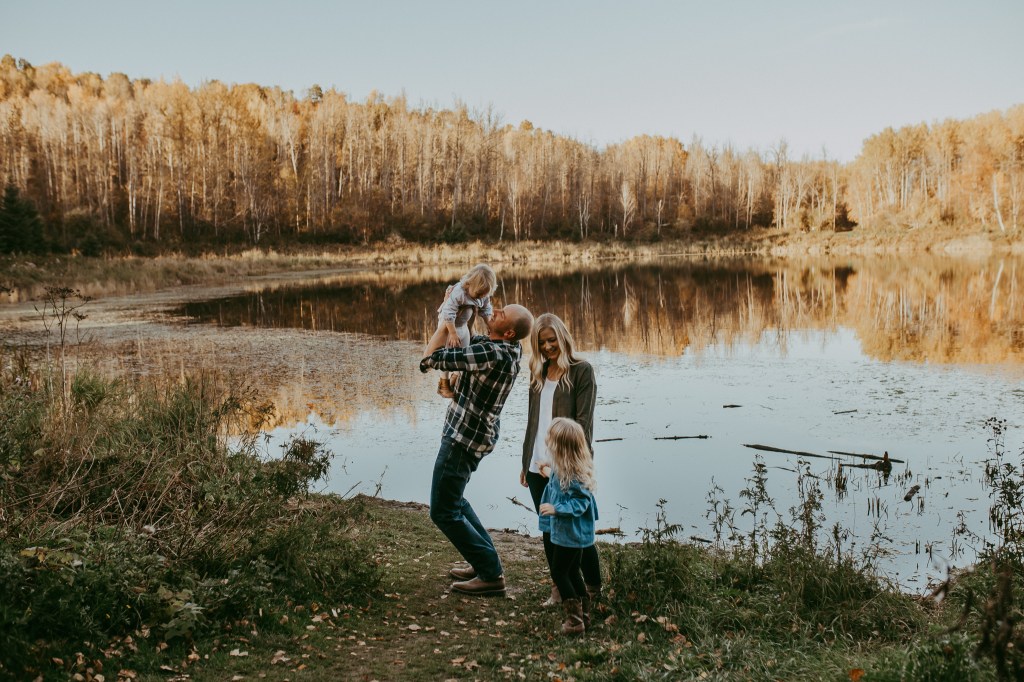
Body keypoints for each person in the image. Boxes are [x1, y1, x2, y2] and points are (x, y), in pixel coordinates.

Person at [420, 303, 535, 596]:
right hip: (474, 434)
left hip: (463, 438)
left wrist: (445, 322)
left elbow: (436, 358)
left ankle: (491, 573)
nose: (494, 311)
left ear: (509, 333)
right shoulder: (508, 349)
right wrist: (461, 311)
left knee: (443, 511)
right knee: (455, 500)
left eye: (501, 314)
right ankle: (482, 562)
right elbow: (470, 340)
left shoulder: (492, 353)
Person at [520, 313, 601, 606]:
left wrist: (573, 468)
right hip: (537, 464)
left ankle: (593, 588)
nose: (547, 347)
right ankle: (560, 589)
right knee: (548, 527)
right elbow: (533, 420)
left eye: (551, 340)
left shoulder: (581, 371)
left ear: (562, 337)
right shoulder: (539, 372)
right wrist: (526, 462)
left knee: (577, 529)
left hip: (566, 467)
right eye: (542, 343)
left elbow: (584, 425)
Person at [539, 417, 599, 635]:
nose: (547, 444)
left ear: (561, 448)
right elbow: (557, 483)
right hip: (566, 534)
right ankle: (584, 616)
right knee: (573, 571)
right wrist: (547, 470)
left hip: (572, 534)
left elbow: (580, 503)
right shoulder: (563, 469)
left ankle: (574, 621)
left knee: (559, 572)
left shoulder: (576, 475)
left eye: (550, 441)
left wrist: (556, 509)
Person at [422, 264, 497, 398]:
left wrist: (490, 326)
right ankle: (443, 383)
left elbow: (486, 310)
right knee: (447, 352)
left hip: (463, 326)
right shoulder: (459, 292)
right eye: (478, 294)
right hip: (448, 325)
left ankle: (455, 378)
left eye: (484, 295)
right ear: (469, 284)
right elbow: (448, 313)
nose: (480, 297)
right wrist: (452, 333)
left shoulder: (483, 295)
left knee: (464, 350)